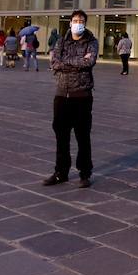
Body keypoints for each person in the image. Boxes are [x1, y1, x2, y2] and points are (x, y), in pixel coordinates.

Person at [45, 10, 97, 187]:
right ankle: (61, 172)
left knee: (83, 137)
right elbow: (54, 63)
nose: (78, 22)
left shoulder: (91, 42)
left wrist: (66, 63)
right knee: (61, 136)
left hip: (82, 95)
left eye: (81, 20)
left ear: (85, 23)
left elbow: (89, 62)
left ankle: (84, 173)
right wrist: (77, 62)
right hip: (61, 95)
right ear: (70, 22)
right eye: (75, 20)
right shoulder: (61, 41)